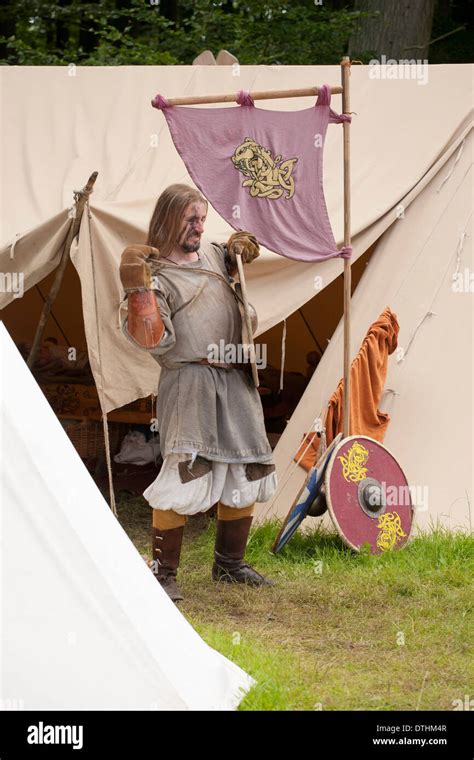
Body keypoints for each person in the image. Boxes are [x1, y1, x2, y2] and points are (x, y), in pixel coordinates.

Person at [119, 184, 277, 601]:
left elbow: (231, 268)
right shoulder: (154, 272)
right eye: (191, 218)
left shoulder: (211, 254)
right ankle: (163, 574)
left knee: (246, 467)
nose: (198, 226)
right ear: (168, 219)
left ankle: (230, 565)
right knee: (187, 468)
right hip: (190, 381)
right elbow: (153, 340)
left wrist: (236, 250)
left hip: (236, 376)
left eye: (202, 218)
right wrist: (138, 289)